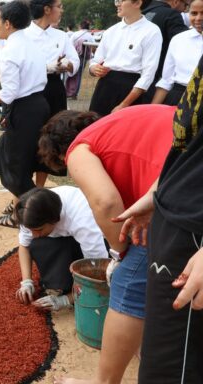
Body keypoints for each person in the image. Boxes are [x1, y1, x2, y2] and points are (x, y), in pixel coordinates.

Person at [37, 105, 175, 384]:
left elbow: (106, 202)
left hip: (180, 199)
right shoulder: (122, 122)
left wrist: (119, 253)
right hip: (185, 185)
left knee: (128, 286)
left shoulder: (80, 147)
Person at [113, 55, 203, 384]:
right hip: (175, 209)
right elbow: (189, 137)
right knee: (160, 361)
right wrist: (158, 190)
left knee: (173, 369)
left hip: (195, 234)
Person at [0, 1, 50, 228]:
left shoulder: (11, 50)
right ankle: (21, 206)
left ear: (8, 23)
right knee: (13, 155)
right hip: (38, 105)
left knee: (15, 164)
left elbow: (9, 93)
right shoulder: (30, 43)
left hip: (24, 109)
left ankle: (34, 210)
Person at [14, 186, 108, 312]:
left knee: (106, 279)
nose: (34, 235)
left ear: (55, 220)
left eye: (38, 230)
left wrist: (66, 300)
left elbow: (98, 270)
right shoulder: (29, 213)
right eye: (30, 230)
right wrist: (26, 281)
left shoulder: (82, 221)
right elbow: (24, 246)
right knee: (36, 244)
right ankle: (63, 283)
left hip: (102, 240)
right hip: (65, 239)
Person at [88, 0, 162, 116]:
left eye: (121, 1)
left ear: (137, 3)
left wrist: (124, 104)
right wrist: (94, 68)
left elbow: (148, 74)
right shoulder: (111, 31)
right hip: (105, 86)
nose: (117, 4)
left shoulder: (152, 31)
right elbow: (95, 61)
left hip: (131, 89)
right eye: (116, 1)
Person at [27, 0, 80, 117]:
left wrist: (67, 64)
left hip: (54, 86)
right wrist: (46, 68)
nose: (62, 10)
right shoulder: (23, 35)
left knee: (56, 127)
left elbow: (75, 61)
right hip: (30, 88)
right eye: (59, 6)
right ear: (47, 9)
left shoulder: (62, 36)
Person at [152, 0, 203, 105]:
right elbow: (166, 80)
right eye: (194, 13)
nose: (198, 18)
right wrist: (152, 108)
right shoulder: (178, 40)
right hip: (179, 99)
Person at [141, 0, 189, 101]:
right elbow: (185, 43)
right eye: (185, 5)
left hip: (134, 75)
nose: (185, 10)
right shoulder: (172, 14)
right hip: (156, 77)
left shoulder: (141, 13)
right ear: (176, 2)